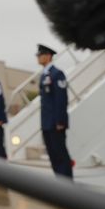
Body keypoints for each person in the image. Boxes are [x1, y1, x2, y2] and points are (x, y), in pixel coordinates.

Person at [36, 44, 73, 178]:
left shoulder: (57, 74)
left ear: (49, 56)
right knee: (52, 155)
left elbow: (61, 99)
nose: (38, 57)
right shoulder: (44, 75)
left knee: (60, 154)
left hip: (56, 123)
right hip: (46, 123)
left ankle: (67, 184)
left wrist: (60, 121)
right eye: (38, 55)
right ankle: (59, 182)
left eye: (40, 55)